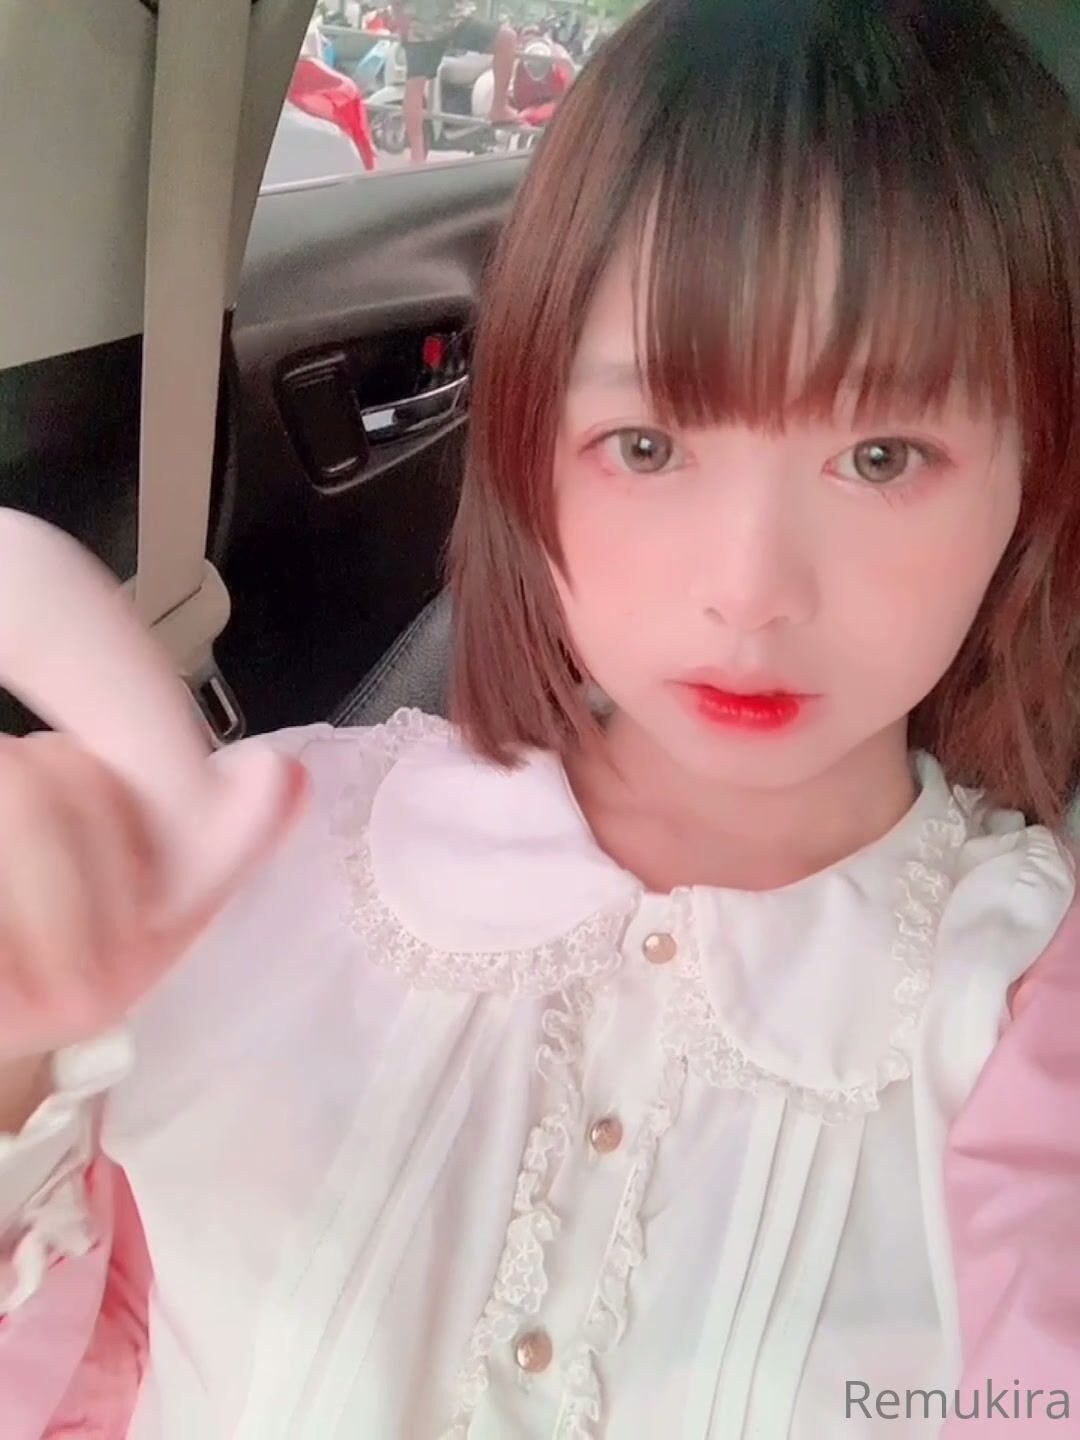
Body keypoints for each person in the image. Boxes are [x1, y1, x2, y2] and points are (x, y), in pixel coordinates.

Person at [3, 0, 1080, 1435]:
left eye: (882, 456)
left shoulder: (1024, 1010)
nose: (750, 593)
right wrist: (18, 1069)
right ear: (528, 445)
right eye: (648, 444)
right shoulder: (263, 861)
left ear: (1033, 477)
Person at [390, 0, 519, 164]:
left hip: (438, 24)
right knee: (507, 38)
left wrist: (402, 24)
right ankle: (417, 154)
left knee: (414, 85)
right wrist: (403, 23)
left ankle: (417, 155)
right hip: (438, 24)